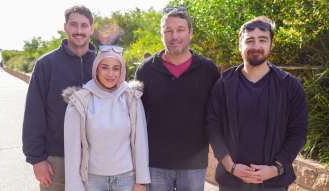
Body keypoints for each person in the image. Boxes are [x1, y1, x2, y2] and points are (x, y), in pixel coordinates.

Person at [206, 16, 308, 191]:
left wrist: (276, 168)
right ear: (240, 45)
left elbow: (298, 132)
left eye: (262, 40)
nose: (256, 46)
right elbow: (212, 127)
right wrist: (231, 166)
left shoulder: (289, 85)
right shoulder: (224, 84)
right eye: (250, 40)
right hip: (232, 181)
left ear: (271, 44)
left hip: (273, 183)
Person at [135, 8, 219, 191]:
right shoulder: (145, 70)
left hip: (194, 165)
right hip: (155, 163)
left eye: (180, 30)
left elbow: (215, 115)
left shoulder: (208, 70)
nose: (174, 36)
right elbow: (136, 118)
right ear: (161, 34)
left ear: (190, 33)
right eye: (168, 30)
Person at [22, 5, 96, 191]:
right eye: (74, 25)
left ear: (91, 29)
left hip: (97, 159)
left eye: (84, 26)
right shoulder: (46, 64)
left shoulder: (102, 63)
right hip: (57, 159)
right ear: (65, 27)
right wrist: (36, 159)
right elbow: (33, 113)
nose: (79, 31)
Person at [63, 47, 150, 191]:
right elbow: (72, 150)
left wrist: (141, 181)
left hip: (127, 179)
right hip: (93, 181)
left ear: (121, 71)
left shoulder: (131, 98)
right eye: (105, 67)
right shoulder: (80, 100)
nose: (111, 74)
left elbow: (140, 141)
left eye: (116, 68)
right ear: (96, 69)